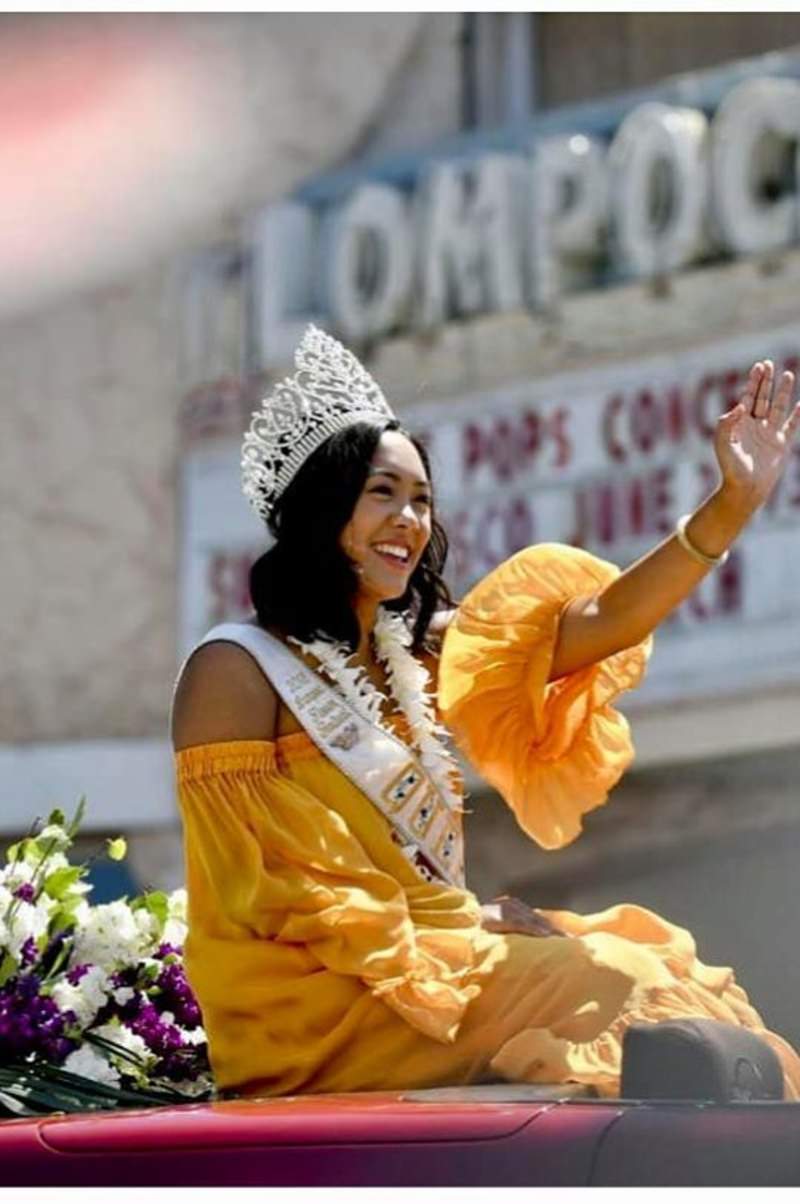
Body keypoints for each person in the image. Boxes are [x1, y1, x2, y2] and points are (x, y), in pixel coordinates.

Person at [171, 325, 800, 1100]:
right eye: (382, 494)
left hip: (427, 955)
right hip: (315, 1000)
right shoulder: (236, 669)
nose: (408, 519)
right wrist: (455, 925)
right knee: (615, 988)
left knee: (659, 971)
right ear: (319, 509)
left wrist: (731, 506)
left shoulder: (421, 651)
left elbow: (605, 619)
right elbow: (271, 887)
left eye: (422, 500)